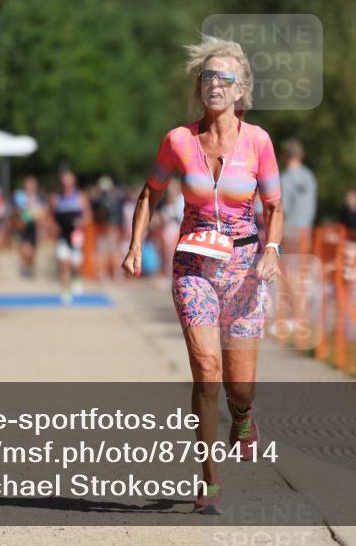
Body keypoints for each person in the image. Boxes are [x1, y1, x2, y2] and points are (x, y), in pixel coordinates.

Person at [121, 35, 282, 515]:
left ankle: (245, 416)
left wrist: (271, 250)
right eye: (207, 76)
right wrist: (134, 245)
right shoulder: (178, 141)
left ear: (240, 91)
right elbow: (150, 192)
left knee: (241, 386)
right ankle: (209, 479)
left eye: (224, 78)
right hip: (193, 266)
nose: (214, 84)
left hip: (245, 268)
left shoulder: (259, 143)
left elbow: (274, 206)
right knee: (207, 370)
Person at [50, 168, 92, 304]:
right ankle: (65, 291)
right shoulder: (56, 198)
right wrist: (53, 226)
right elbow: (50, 216)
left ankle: (76, 278)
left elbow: (88, 216)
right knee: (63, 263)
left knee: (75, 264)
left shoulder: (80, 197)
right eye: (64, 180)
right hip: (62, 235)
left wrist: (81, 222)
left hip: (76, 234)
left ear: (73, 181)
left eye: (69, 180)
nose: (66, 183)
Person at [279, 138, 317, 254]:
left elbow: (282, 209)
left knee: (289, 268)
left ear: (285, 155)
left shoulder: (285, 179)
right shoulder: (309, 176)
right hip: (306, 230)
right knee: (302, 267)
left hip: (289, 232)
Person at [16, 176, 44, 279]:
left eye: (32, 185)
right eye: (28, 185)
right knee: (25, 250)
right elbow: (17, 211)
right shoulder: (20, 197)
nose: (30, 187)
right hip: (24, 228)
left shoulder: (38, 198)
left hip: (34, 228)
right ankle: (25, 267)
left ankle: (30, 267)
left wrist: (37, 216)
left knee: (32, 252)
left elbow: (41, 214)